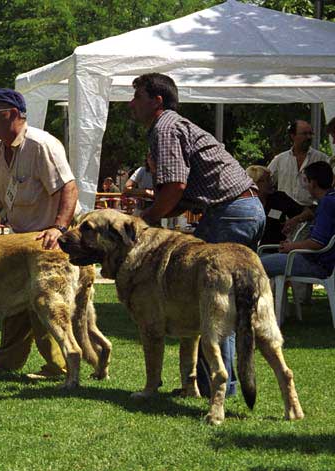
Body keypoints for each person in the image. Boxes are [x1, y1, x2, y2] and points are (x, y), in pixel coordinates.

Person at [130, 73, 265, 398]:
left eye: (137, 96)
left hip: (231, 213)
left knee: (215, 299)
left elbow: (174, 187)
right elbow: (179, 195)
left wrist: (145, 219)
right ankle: (218, 384)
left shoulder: (164, 128)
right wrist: (158, 208)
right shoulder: (173, 126)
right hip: (245, 209)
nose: (131, 104)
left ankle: (216, 386)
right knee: (228, 301)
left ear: (157, 100)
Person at [0, 88, 78, 378]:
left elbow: (68, 187)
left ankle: (61, 364)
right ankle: (8, 362)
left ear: (14, 114)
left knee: (45, 307)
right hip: (20, 245)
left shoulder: (41, 145)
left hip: (47, 244)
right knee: (15, 304)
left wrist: (59, 228)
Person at [261, 161, 335, 280]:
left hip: (316, 264)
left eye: (306, 181)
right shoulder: (330, 200)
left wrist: (291, 247)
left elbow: (317, 243)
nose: (305, 186)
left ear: (313, 183)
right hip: (319, 261)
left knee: (254, 265)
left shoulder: (327, 203)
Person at [268, 120, 330, 233]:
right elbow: (266, 182)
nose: (309, 137)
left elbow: (329, 189)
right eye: (304, 133)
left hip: (311, 217)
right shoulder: (280, 159)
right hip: (283, 219)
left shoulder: (322, 159)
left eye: (310, 134)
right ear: (293, 136)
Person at [246, 165, 304, 245]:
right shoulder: (244, 201)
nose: (271, 183)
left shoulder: (279, 198)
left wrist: (295, 219)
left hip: (274, 249)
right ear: (255, 183)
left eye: (271, 179)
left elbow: (308, 213)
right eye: (267, 180)